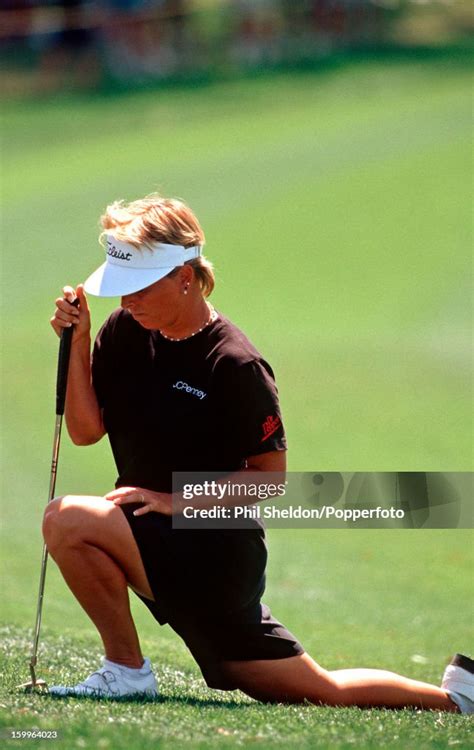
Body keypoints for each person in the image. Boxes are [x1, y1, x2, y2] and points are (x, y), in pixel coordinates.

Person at [45, 193, 473, 712]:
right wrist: (80, 342)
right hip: (152, 535)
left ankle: (126, 671)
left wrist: (176, 501)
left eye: (137, 287)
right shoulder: (123, 331)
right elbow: (86, 431)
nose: (126, 300)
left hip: (215, 551)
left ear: (184, 276)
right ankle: (458, 698)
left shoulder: (235, 364)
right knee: (321, 691)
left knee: (67, 519)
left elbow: (270, 478)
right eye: (119, 289)